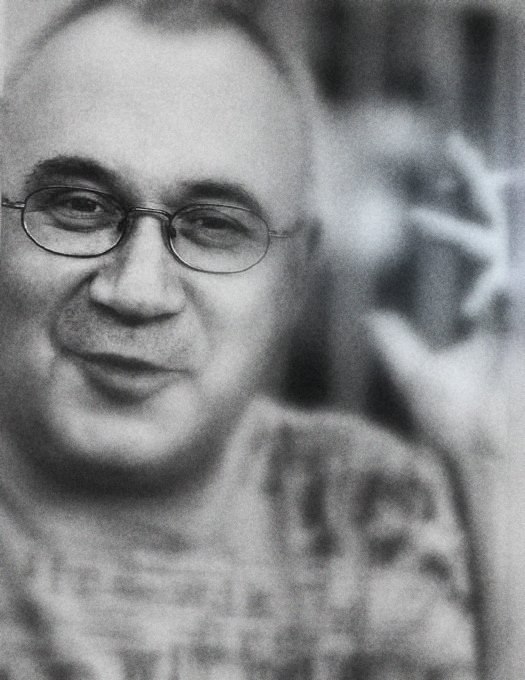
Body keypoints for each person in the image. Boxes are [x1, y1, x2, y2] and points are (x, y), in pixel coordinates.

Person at [0, 1, 481, 678]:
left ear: (295, 277)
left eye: (213, 226)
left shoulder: (376, 507)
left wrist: (499, 468)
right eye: (79, 206)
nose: (137, 291)